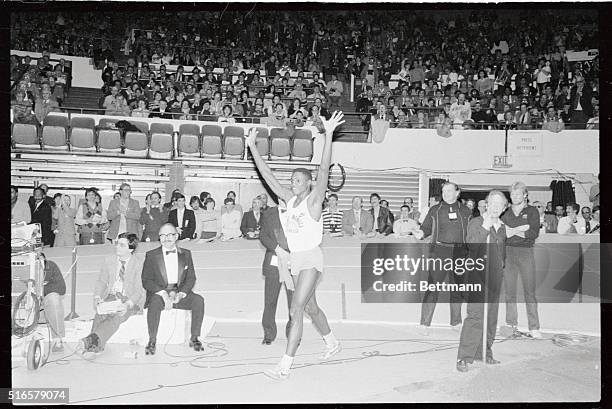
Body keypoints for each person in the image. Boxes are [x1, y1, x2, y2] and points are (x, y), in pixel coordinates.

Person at [245, 111, 345, 380]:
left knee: (295, 309)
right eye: (292, 180)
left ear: (308, 182)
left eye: (298, 180)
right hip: (293, 261)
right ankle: (333, 342)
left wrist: (329, 135)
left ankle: (285, 366)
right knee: (311, 308)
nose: (293, 183)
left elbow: (323, 169)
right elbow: (267, 175)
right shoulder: (288, 199)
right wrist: (253, 146)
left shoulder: (314, 200)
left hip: (311, 259)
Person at [456, 190, 507, 372]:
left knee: (491, 318)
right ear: (486, 204)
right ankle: (464, 357)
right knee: (476, 316)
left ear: (503, 208)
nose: (494, 207)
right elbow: (472, 244)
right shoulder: (476, 222)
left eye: (498, 205)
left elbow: (502, 253)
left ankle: (485, 352)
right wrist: (486, 226)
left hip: (494, 279)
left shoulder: (502, 227)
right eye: (491, 203)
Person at [414, 182, 471, 334]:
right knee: (432, 287)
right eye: (443, 191)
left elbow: (472, 233)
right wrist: (420, 234)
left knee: (457, 289)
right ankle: (424, 324)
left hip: (460, 252)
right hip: (439, 251)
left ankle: (456, 322)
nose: (445, 193)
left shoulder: (466, 211)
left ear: (457, 192)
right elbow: (425, 228)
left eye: (449, 190)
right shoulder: (435, 209)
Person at [141, 223, 205, 354]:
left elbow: (191, 278)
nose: (166, 238)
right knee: (154, 303)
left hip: (179, 293)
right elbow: (146, 280)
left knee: (198, 300)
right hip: (160, 293)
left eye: (170, 234)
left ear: (176, 236)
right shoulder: (151, 255)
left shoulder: (186, 254)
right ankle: (152, 340)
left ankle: (194, 337)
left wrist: (181, 294)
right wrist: (163, 294)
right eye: (163, 235)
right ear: (159, 238)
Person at [79, 233, 146, 357]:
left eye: (122, 245)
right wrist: (97, 297)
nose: (117, 247)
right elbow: (102, 281)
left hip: (130, 299)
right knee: (100, 313)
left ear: (130, 249)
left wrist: (127, 305)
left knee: (117, 316)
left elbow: (139, 290)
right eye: (117, 244)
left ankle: (91, 342)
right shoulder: (109, 260)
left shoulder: (139, 263)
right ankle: (95, 346)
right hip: (112, 295)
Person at [501, 182, 541, 338]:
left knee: (529, 291)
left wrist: (513, 230)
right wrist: (521, 228)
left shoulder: (532, 211)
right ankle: (511, 325)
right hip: (508, 253)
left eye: (518, 194)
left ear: (525, 195)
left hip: (526, 253)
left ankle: (534, 327)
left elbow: (533, 233)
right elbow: (504, 234)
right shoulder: (505, 213)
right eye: (512, 194)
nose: (515, 196)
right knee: (510, 292)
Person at [259, 202, 294, 345]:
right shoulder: (268, 214)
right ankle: (269, 333)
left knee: (293, 302)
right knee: (270, 300)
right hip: (274, 262)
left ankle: (293, 333)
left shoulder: (298, 213)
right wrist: (276, 248)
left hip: (293, 262)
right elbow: (263, 236)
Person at [38, 253, 67, 352]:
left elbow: (61, 289)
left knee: (54, 298)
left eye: (40, 260)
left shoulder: (51, 266)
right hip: (23, 307)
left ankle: (57, 340)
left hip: (44, 308)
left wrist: (42, 288)